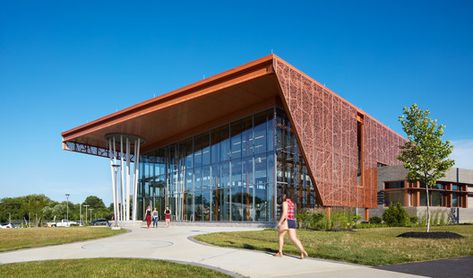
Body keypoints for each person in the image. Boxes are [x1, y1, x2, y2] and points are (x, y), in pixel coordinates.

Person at [275, 190, 308, 259]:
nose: (282, 196)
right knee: (294, 238)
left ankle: (280, 252)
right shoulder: (292, 203)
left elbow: (285, 213)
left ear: (285, 195)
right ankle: (302, 251)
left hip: (286, 221)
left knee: (280, 236)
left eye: (283, 194)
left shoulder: (285, 202)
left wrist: (279, 222)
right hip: (292, 221)